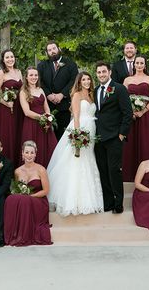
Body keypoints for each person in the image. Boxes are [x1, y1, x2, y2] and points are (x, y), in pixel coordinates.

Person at [47, 72, 104, 216]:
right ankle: (73, 200)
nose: (86, 81)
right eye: (83, 79)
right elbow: (76, 116)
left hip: (92, 128)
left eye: (88, 79)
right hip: (81, 128)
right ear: (79, 82)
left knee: (89, 158)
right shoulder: (77, 95)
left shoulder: (93, 95)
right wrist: (78, 135)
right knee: (77, 160)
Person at [94, 61, 133, 213]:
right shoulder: (96, 90)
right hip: (98, 138)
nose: (101, 75)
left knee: (114, 170)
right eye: (99, 72)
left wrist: (122, 134)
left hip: (114, 137)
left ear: (109, 72)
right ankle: (108, 202)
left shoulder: (119, 88)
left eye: (104, 71)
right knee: (103, 170)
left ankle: (118, 203)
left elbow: (127, 113)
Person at [4, 140, 52, 246]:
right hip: (24, 201)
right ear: (22, 153)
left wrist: (31, 196)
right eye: (26, 152)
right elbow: (16, 189)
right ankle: (12, 232)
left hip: (39, 200)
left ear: (35, 154)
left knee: (24, 200)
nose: (29, 155)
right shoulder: (17, 171)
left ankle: (24, 235)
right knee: (10, 199)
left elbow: (46, 190)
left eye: (32, 152)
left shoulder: (41, 169)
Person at [122, 55, 149, 181]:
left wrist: (143, 111)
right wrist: (130, 111)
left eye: (142, 63)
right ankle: (129, 175)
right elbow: (124, 99)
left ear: (145, 65)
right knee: (130, 143)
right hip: (131, 117)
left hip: (146, 116)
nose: (139, 65)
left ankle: (147, 175)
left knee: (145, 142)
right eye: (137, 63)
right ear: (134, 64)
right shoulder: (127, 80)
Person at [37, 41, 79, 140]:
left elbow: (74, 81)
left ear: (59, 49)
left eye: (54, 49)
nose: (52, 52)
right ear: (47, 53)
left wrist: (62, 94)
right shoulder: (42, 65)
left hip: (64, 106)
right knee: (46, 135)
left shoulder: (71, 64)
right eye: (49, 50)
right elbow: (39, 81)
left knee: (62, 136)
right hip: (46, 107)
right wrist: (48, 94)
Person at [20, 67, 58, 167]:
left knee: (49, 147)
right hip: (31, 124)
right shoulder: (23, 92)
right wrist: (41, 118)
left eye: (36, 75)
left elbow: (47, 108)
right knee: (32, 149)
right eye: (31, 75)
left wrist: (48, 119)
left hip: (45, 124)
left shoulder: (40, 89)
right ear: (26, 77)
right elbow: (27, 112)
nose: (34, 77)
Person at [0, 49, 24, 166]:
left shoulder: (19, 72)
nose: (10, 59)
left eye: (12, 57)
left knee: (18, 134)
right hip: (6, 109)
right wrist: (6, 103)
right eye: (7, 57)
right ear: (3, 60)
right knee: (8, 135)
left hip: (19, 108)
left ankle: (17, 164)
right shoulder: (1, 73)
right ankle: (5, 165)